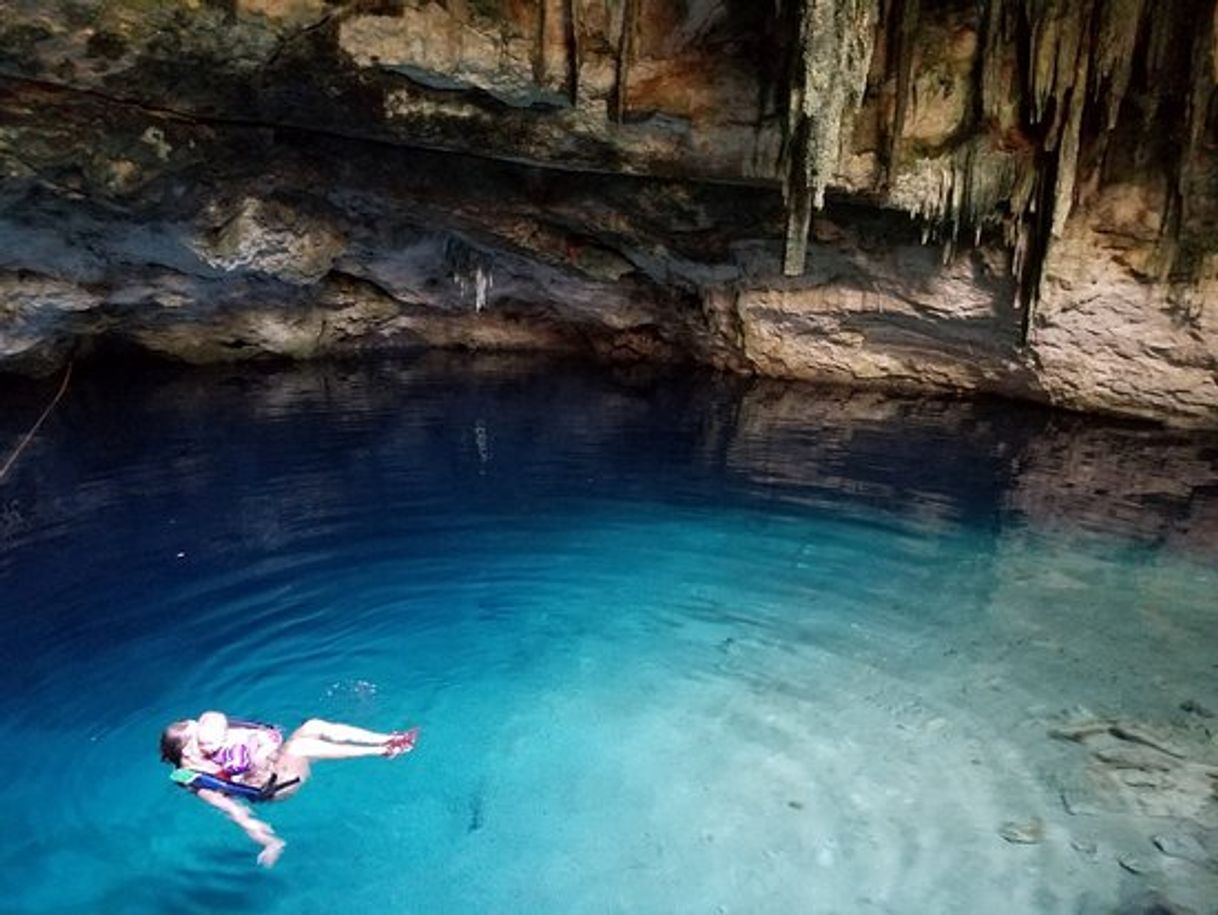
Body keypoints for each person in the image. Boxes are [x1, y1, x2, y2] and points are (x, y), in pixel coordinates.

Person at [160, 710, 418, 867]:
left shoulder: (212, 751)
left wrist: (264, 749)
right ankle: (385, 750)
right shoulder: (198, 780)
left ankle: (387, 739)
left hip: (279, 767)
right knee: (300, 747)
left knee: (313, 726)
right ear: (188, 749)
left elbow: (252, 736)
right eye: (198, 737)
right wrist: (270, 843)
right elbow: (235, 813)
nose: (206, 739)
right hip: (279, 787)